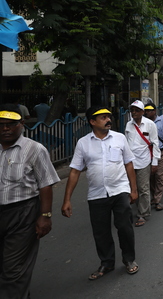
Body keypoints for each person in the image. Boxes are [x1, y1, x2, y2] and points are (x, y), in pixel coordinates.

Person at [61, 106, 139, 279]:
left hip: (120, 190)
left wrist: (133, 190)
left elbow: (129, 164)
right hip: (96, 194)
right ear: (92, 122)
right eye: (103, 117)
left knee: (125, 227)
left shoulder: (119, 138)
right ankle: (107, 263)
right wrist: (67, 199)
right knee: (101, 232)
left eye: (108, 117)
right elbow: (74, 171)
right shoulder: (83, 143)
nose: (108, 120)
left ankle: (129, 259)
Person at [0, 104, 60, 297]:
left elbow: (46, 184)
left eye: (11, 124)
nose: (6, 128)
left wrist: (45, 216)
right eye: (1, 124)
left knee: (13, 269)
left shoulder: (35, 149)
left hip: (22, 214)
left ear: (22, 124)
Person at [124, 100, 160, 227]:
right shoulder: (128, 125)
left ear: (142, 112)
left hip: (144, 161)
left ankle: (142, 214)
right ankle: (129, 212)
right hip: (130, 162)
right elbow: (126, 143)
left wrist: (155, 162)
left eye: (137, 110)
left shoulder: (150, 124)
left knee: (143, 188)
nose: (134, 112)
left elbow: (155, 143)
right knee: (129, 188)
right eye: (132, 110)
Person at [144, 103, 163, 211]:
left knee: (159, 175)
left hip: (161, 152)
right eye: (145, 110)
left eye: (149, 110)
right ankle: (153, 195)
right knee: (150, 175)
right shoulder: (142, 123)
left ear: (154, 111)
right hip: (148, 154)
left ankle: (157, 199)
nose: (147, 112)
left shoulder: (162, 122)